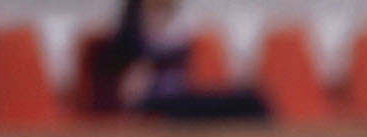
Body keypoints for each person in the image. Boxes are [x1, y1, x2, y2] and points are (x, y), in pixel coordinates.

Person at [93, 0, 267, 121]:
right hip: (159, 102)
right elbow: (129, 90)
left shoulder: (178, 27)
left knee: (251, 101)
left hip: (181, 95)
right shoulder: (132, 33)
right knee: (248, 103)